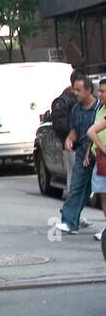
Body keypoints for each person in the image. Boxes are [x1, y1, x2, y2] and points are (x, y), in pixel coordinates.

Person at [54, 71, 98, 235]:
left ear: (89, 91)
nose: (75, 93)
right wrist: (69, 139)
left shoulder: (99, 108)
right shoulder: (76, 109)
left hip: (96, 150)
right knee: (77, 186)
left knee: (97, 189)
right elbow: (75, 130)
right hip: (81, 150)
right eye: (74, 89)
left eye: (79, 90)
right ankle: (69, 221)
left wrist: (91, 150)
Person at [81, 78, 106, 242]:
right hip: (101, 160)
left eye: (103, 91)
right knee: (104, 196)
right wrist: (93, 150)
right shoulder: (100, 108)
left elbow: (91, 131)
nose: (100, 94)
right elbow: (91, 132)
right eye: (100, 91)